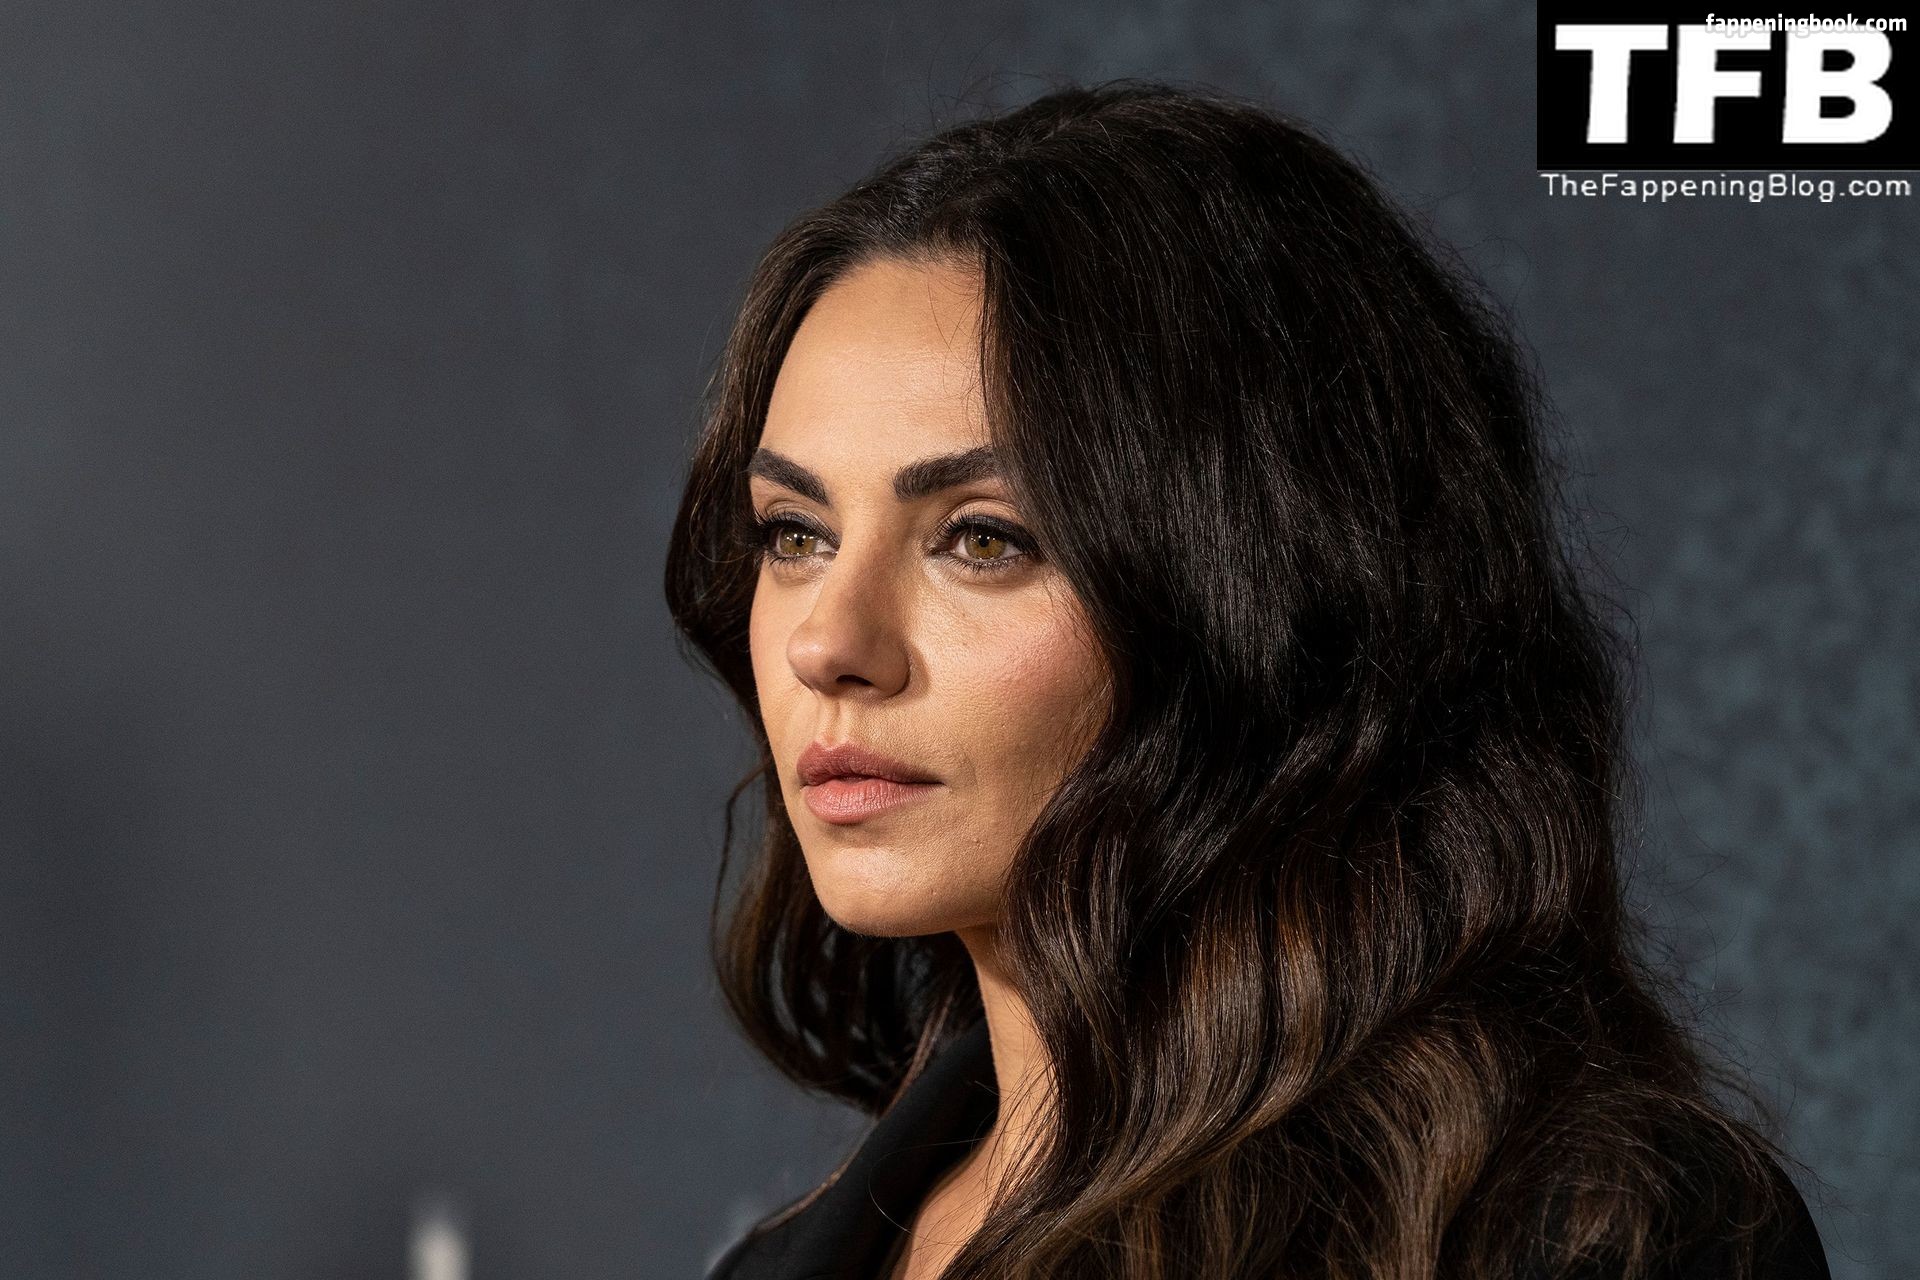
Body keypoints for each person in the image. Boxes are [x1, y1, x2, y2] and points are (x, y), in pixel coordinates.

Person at [664, 78, 1832, 1280]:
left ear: (1253, 598)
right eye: (795, 533)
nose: (826, 642)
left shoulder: (1592, 1236)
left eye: (983, 537)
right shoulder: (781, 1266)